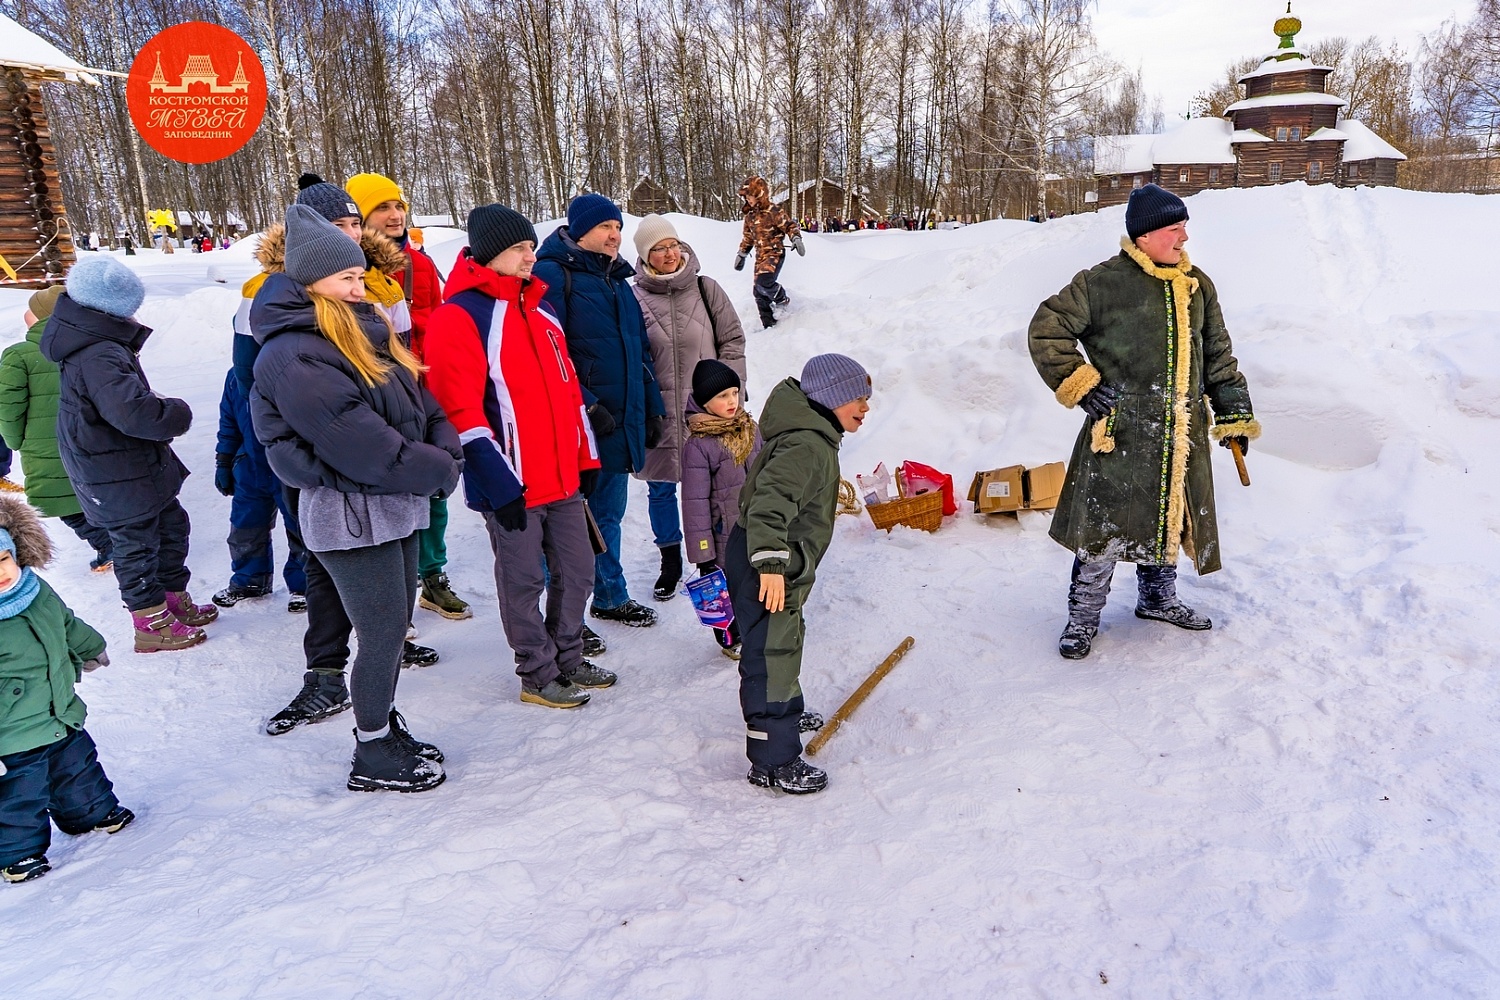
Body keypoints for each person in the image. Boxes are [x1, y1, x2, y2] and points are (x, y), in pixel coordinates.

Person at [250, 204, 461, 792]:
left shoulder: (360, 329)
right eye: (346, 277)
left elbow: (422, 399)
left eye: (358, 275)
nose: (359, 285)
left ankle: (383, 725)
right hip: (349, 516)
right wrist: (438, 470)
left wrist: (446, 451)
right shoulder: (294, 351)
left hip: (390, 503)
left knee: (394, 625)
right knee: (383, 632)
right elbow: (361, 445)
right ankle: (371, 753)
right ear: (310, 281)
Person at [1028, 184, 1259, 661]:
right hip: (1119, 429)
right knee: (1103, 528)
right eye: (1175, 228)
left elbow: (1217, 354)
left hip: (1181, 428)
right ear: (1148, 235)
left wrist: (1234, 413)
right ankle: (1082, 617)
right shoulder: (1101, 283)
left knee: (1171, 515)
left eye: (1183, 227)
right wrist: (1082, 385)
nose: (1183, 237)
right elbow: (1047, 329)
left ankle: (1157, 598)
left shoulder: (1198, 285)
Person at [425, 204, 616, 708]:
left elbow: (569, 390)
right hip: (514, 483)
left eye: (532, 247)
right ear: (491, 256)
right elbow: (458, 408)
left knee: (579, 572)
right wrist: (498, 481)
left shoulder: (543, 310)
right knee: (524, 580)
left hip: (563, 478)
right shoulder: (460, 316)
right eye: (519, 249)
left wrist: (587, 456)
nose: (531, 257)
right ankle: (537, 671)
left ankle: (569, 655)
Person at [40, 256, 217, 652]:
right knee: (136, 546)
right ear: (110, 308)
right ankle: (151, 624)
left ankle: (172, 601)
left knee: (172, 528)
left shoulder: (96, 341)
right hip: (113, 471)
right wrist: (174, 412)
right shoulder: (97, 352)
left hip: (130, 465)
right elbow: (131, 412)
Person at [725, 354, 871, 795]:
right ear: (831, 398)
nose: (865, 408)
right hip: (766, 564)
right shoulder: (807, 445)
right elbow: (770, 503)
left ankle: (785, 711)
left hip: (776, 561)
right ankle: (774, 759)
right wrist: (770, 566)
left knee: (782, 644)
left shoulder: (816, 438)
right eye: (858, 399)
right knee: (769, 656)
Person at [533, 193, 667, 630]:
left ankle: (610, 596)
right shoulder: (552, 275)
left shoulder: (617, 281)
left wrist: (650, 409)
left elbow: (639, 353)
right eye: (605, 227)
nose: (615, 235)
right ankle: (567, 616)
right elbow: (545, 352)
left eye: (618, 227)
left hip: (618, 420)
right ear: (580, 230)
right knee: (566, 527)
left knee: (608, 514)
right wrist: (586, 404)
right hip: (577, 425)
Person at [345, 172, 471, 622]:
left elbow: (437, 329)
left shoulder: (416, 264)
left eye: (398, 205)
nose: (395, 215)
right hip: (367, 394)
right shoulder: (340, 269)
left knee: (432, 484)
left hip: (416, 388)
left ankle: (432, 576)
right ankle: (382, 604)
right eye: (382, 207)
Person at [0, 495, 133, 884]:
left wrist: (89, 646)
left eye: (3, 560)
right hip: (11, 729)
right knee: (20, 794)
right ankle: (17, 854)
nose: (1, 573)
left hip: (58, 710)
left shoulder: (34, 590)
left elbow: (65, 623)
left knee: (77, 767)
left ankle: (90, 814)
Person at [631, 214, 747, 603]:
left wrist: (730, 395)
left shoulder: (705, 289)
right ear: (645, 256)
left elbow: (732, 340)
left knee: (714, 489)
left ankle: (716, 558)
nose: (669, 252)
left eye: (673, 244)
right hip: (660, 410)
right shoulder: (633, 296)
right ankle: (670, 563)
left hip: (707, 414)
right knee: (662, 491)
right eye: (659, 248)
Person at [0, 285, 114, 572]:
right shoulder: (93, 345)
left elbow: (7, 406)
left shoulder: (20, 355)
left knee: (62, 501)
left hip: (46, 447)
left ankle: (109, 546)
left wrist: (15, 440)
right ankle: (118, 542)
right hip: (92, 440)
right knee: (94, 494)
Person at [681, 359, 761, 659]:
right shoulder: (699, 445)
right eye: (721, 397)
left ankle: (755, 627)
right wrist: (703, 554)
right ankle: (730, 636)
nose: (731, 402)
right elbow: (694, 504)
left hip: (757, 524)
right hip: (722, 534)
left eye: (734, 393)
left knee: (756, 581)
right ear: (704, 403)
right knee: (726, 588)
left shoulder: (749, 428)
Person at [734, 176, 804, 329]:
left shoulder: (774, 211)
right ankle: (769, 325)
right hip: (760, 257)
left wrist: (796, 238)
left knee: (764, 282)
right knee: (758, 292)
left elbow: (789, 226)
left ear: (759, 194)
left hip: (775, 254)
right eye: (745, 196)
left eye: (750, 195)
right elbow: (748, 238)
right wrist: (742, 254)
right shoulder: (750, 216)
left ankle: (782, 299)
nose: (748, 199)